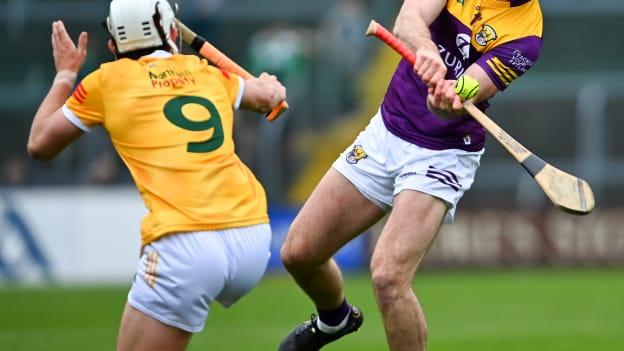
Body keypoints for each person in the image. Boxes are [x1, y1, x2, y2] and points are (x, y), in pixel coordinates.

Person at [278, 0, 542, 350]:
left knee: (389, 277)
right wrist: (428, 51)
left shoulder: (526, 38)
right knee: (299, 253)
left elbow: (470, 89)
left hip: (443, 153)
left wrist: (452, 94)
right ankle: (334, 319)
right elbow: (409, 18)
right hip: (386, 131)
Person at [26, 0, 286, 350]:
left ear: (113, 45)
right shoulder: (206, 72)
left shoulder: (105, 81)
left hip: (185, 244)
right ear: (173, 32)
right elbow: (266, 97)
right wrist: (271, 86)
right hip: (253, 236)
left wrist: (65, 76)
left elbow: (39, 144)